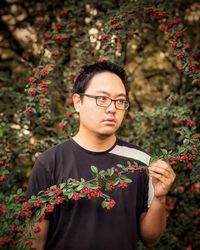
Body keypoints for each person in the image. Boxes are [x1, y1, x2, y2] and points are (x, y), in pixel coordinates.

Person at [26, 61, 176, 250]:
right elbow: (34, 242)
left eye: (120, 101)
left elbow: (151, 238)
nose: (112, 108)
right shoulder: (50, 162)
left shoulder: (142, 162)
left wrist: (160, 198)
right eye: (102, 98)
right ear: (77, 102)